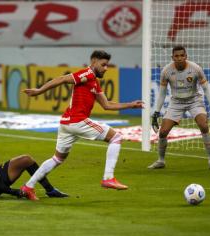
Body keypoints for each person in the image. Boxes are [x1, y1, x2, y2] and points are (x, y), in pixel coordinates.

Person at [20, 50, 143, 200]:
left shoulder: (94, 82)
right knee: (116, 137)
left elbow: (107, 105)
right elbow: (63, 79)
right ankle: (108, 178)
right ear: (94, 62)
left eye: (107, 65)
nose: (106, 68)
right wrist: (39, 91)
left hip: (66, 123)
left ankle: (28, 186)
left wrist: (130, 105)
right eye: (103, 65)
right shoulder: (87, 74)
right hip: (77, 120)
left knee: (57, 159)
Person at [148, 45, 210, 170]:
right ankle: (161, 160)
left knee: (204, 126)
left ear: (186, 56)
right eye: (176, 56)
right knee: (163, 132)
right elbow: (162, 93)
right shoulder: (166, 71)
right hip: (176, 102)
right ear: (172, 57)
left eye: (182, 55)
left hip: (194, 100)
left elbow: (207, 90)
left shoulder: (195, 69)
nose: (180, 58)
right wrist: (156, 113)